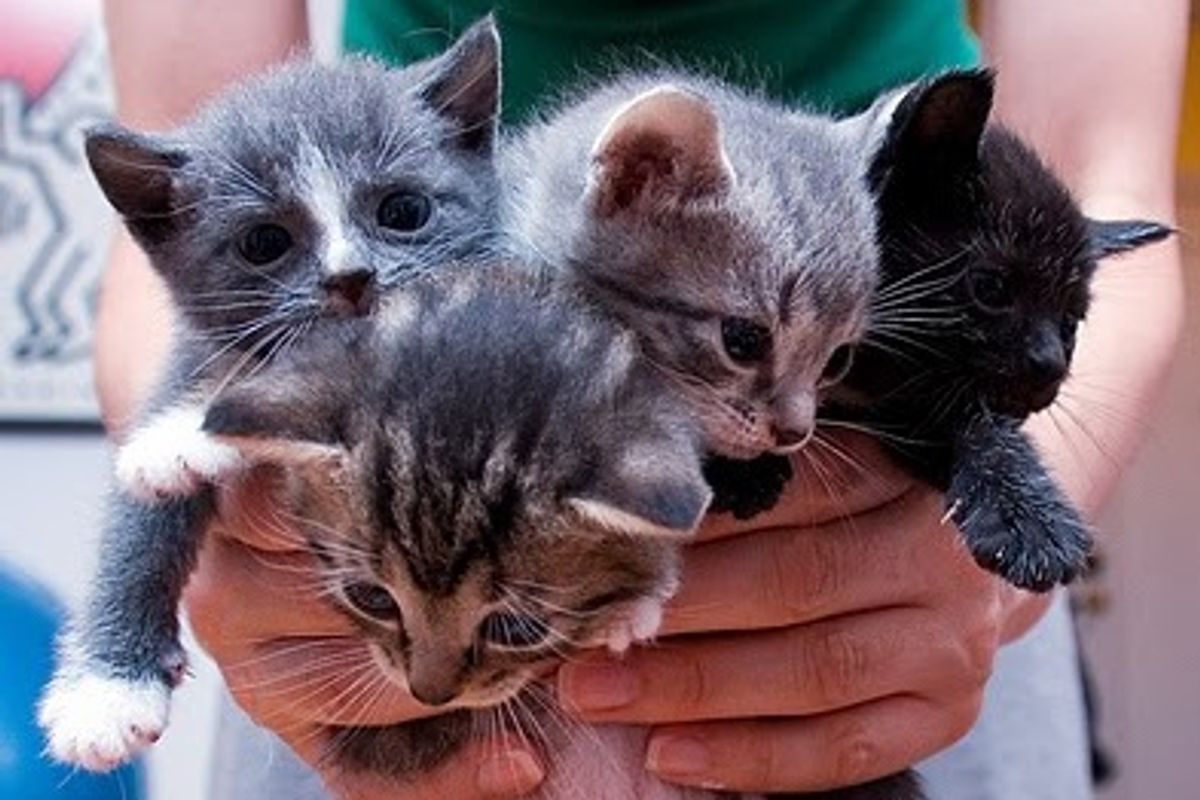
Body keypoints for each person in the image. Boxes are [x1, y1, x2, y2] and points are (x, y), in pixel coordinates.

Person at [95, 1, 1186, 798]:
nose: (789, 428)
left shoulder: (815, 374)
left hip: (902, 537)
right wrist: (237, 530)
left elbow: (1102, 179)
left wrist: (983, 574)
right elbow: (181, 206)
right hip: (375, 528)